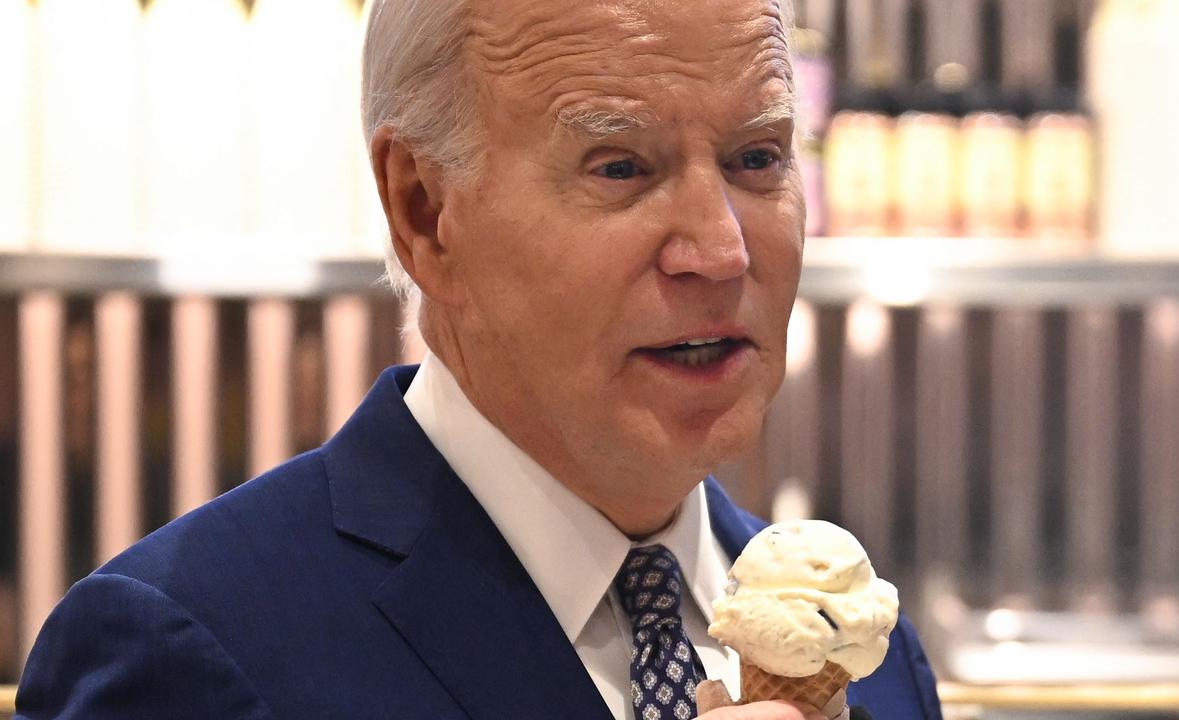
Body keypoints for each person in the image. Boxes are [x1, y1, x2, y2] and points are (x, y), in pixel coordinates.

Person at [16, 0, 943, 718]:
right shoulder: (191, 651)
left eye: (757, 159)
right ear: (424, 211)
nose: (721, 248)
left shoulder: (867, 652)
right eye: (620, 167)